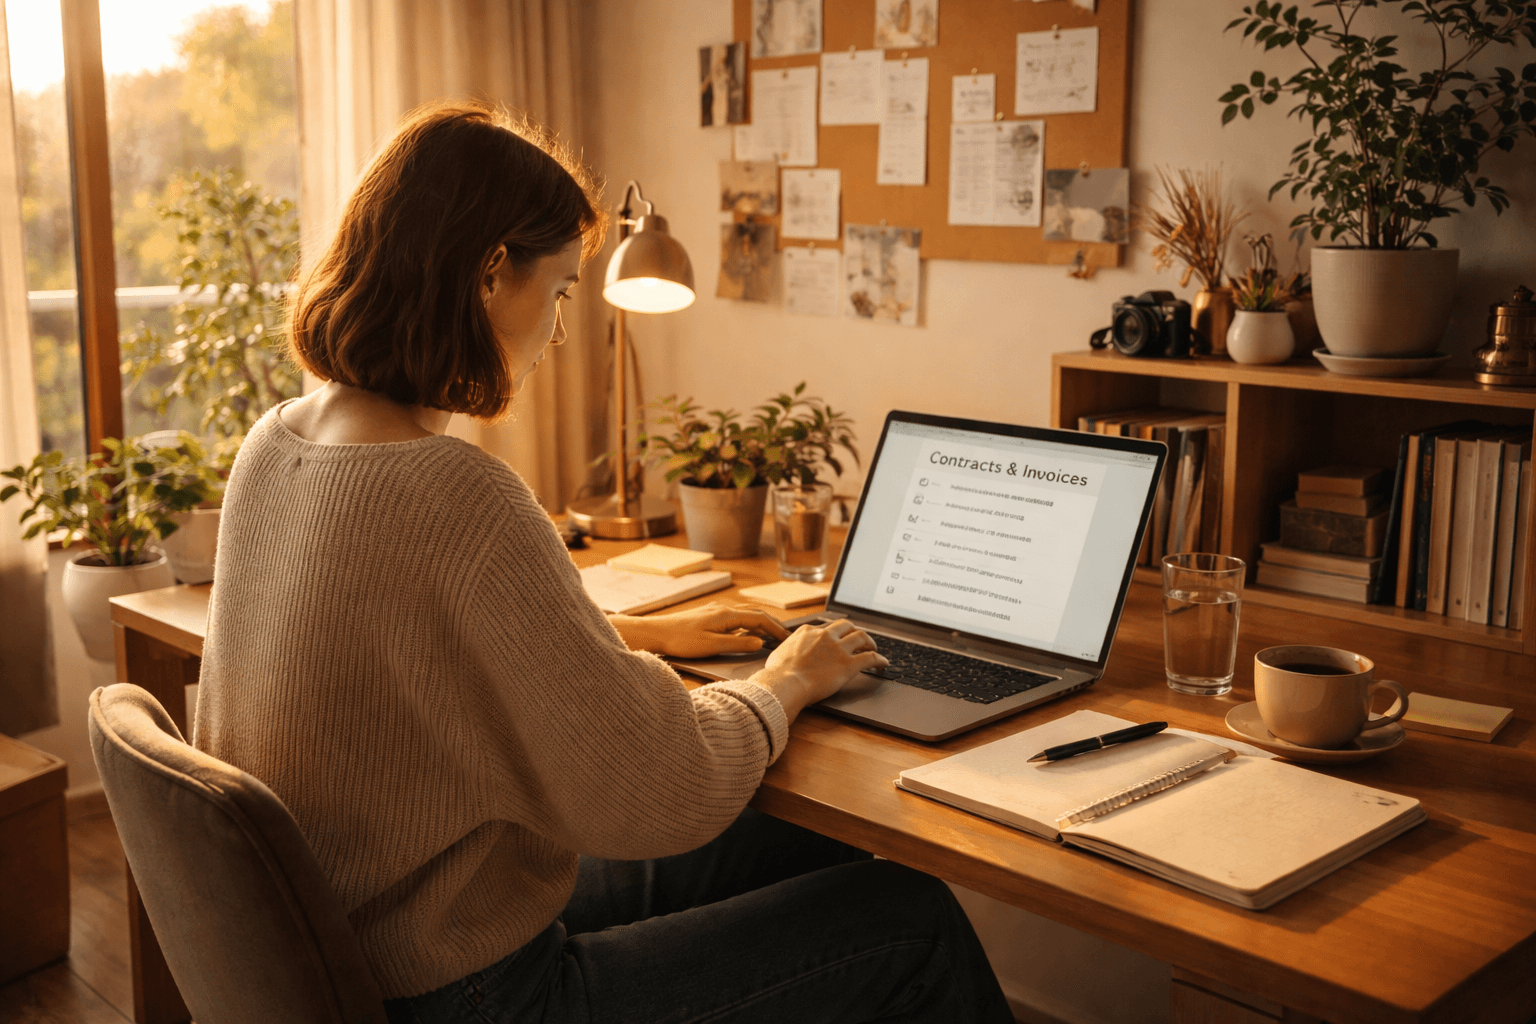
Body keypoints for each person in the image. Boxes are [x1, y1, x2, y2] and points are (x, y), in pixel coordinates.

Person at [193, 100, 1011, 1024]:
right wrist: (784, 684)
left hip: (361, 943)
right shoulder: (457, 493)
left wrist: (623, 631)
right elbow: (662, 786)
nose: (558, 326)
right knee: (912, 916)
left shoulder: (274, 444)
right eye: (562, 291)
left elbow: (401, 652)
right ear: (492, 275)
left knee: (795, 848)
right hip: (474, 990)